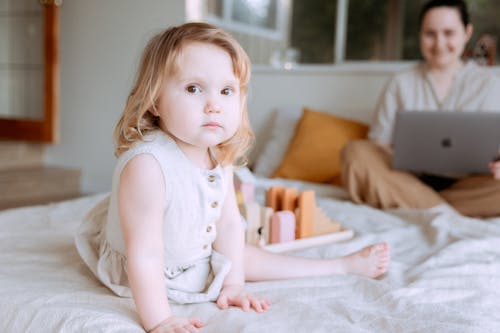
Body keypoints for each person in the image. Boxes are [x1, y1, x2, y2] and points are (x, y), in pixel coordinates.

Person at [75, 22, 390, 333]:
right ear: (155, 100)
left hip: (192, 252)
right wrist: (160, 320)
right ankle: (336, 266)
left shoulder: (216, 152)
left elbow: (227, 224)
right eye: (193, 88)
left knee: (245, 255)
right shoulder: (147, 165)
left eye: (226, 91)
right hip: (144, 263)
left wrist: (234, 283)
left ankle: (341, 266)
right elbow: (145, 252)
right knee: (225, 256)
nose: (213, 105)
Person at [340, 0, 500, 218]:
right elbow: (377, 144)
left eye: (449, 33)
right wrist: (401, 155)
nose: (439, 43)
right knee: (355, 152)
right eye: (430, 34)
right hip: (406, 180)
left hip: (469, 187)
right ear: (419, 35)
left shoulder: (490, 84)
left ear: (467, 32)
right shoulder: (400, 82)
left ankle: (425, 208)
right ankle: (445, 212)